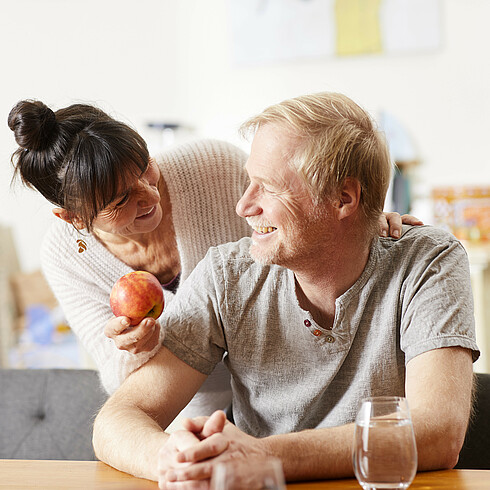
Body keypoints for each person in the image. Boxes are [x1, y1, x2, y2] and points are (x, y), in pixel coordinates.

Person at [92, 91, 479, 488]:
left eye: (268, 187)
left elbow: (438, 432)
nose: (243, 206)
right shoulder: (227, 274)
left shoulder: (428, 260)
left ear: (343, 198)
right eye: (248, 182)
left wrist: (262, 455)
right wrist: (170, 459)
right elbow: (118, 419)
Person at [8, 98, 410, 421]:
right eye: (121, 199)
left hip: (278, 386)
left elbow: (297, 209)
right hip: (186, 412)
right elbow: (119, 382)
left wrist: (360, 221)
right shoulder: (64, 255)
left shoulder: (212, 167)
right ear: (73, 218)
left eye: (146, 169)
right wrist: (136, 346)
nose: (148, 194)